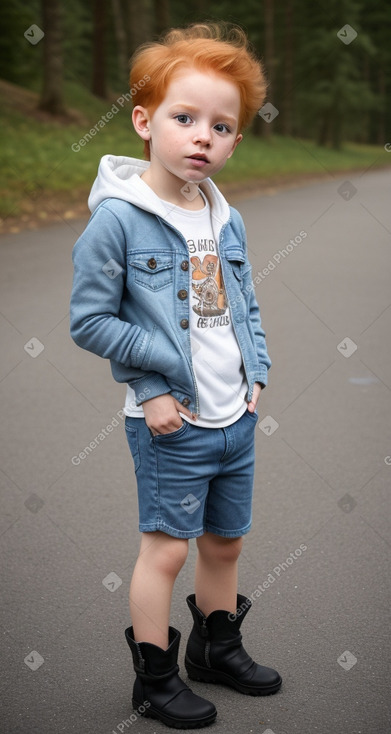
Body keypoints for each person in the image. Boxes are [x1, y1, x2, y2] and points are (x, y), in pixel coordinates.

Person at [70, 21, 282, 730]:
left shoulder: (225, 218)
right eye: (183, 118)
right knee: (164, 551)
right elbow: (90, 321)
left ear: (235, 142)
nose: (202, 137)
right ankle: (154, 681)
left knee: (226, 543)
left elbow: (242, 302)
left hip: (235, 415)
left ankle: (216, 651)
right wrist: (153, 384)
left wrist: (258, 370)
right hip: (172, 421)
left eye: (220, 126)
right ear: (143, 120)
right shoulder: (120, 223)